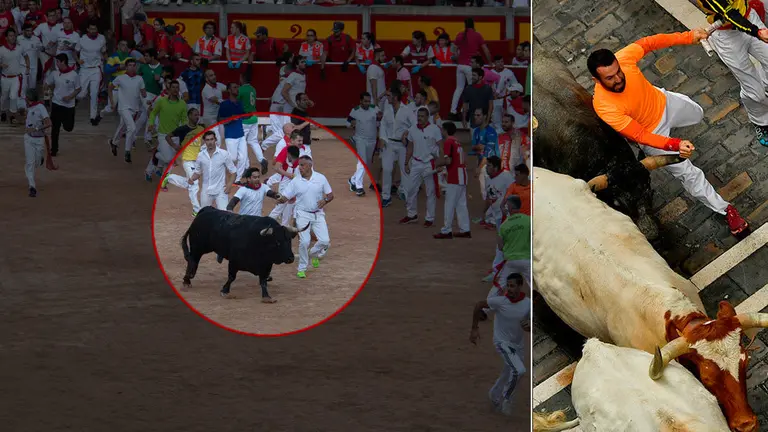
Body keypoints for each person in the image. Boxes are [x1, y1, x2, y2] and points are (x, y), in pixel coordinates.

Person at [588, 31, 749, 236]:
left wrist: (689, 36)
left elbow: (650, 42)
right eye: (610, 78)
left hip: (664, 102)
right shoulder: (603, 106)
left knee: (698, 114)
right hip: (651, 132)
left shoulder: (624, 57)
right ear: (596, 79)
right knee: (688, 173)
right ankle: (725, 210)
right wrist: (674, 144)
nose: (619, 79)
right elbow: (640, 135)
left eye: (618, 72)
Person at [702, 0, 768, 145]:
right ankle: (761, 121)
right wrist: (756, 32)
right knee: (754, 91)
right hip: (726, 37)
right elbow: (729, 13)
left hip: (750, 18)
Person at [469, 272, 531, 416]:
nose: (509, 289)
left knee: (508, 372)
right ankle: (507, 398)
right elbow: (479, 305)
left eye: (513, 286)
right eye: (508, 286)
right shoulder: (499, 301)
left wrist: (529, 326)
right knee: (519, 370)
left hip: (518, 345)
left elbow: (529, 323)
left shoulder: (527, 304)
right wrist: (474, 328)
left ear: (520, 286)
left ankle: (494, 395)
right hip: (502, 343)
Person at [275, 155, 333, 279]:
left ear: (310, 166)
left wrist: (325, 200)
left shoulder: (321, 178)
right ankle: (302, 268)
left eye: (302, 165)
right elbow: (285, 197)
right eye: (299, 165)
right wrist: (279, 198)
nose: (299, 167)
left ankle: (313, 254)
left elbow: (330, 195)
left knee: (324, 241)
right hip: (302, 214)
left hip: (318, 214)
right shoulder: (295, 182)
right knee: (304, 241)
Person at [402, 107, 443, 227]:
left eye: (422, 116)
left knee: (430, 191)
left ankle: (430, 218)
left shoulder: (434, 129)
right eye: (418, 116)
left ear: (427, 117)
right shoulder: (412, 129)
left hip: (429, 164)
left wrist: (440, 163)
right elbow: (409, 147)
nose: (419, 118)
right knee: (410, 189)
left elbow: (440, 146)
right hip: (416, 163)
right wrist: (406, 163)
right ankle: (411, 214)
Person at [161, 108, 205, 216]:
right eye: (195, 115)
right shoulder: (182, 129)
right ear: (189, 116)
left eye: (198, 115)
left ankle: (169, 178)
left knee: (190, 183)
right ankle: (196, 210)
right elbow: (168, 136)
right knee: (194, 184)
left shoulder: (201, 128)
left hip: (197, 160)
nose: (197, 117)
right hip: (187, 159)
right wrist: (174, 146)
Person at [450, 18, 493, 121]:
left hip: (460, 66)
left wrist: (456, 57)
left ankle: (453, 111)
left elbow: (453, 50)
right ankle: (468, 112)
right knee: (473, 90)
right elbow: (485, 50)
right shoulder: (477, 35)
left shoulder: (460, 35)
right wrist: (490, 62)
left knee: (459, 88)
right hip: (471, 66)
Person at [433, 122, 470, 239]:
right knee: (461, 204)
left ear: (445, 130)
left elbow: (448, 161)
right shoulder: (458, 142)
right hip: (462, 175)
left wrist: (437, 164)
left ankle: (446, 230)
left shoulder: (449, 142)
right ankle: (465, 229)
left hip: (454, 177)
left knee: (449, 204)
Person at [146, 80, 186, 181]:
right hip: (163, 135)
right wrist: (151, 123)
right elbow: (153, 113)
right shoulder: (162, 101)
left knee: (168, 161)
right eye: (173, 87)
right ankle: (156, 154)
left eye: (177, 88)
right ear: (169, 89)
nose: (175, 90)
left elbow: (184, 120)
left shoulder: (182, 104)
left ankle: (152, 173)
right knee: (168, 159)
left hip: (175, 136)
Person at [108, 57, 146, 163]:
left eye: (134, 65)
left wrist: (145, 97)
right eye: (130, 65)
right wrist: (112, 102)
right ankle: (127, 152)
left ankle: (114, 142)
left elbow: (144, 93)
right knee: (132, 128)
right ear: (126, 66)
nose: (132, 67)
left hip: (135, 109)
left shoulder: (140, 79)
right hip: (123, 107)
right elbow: (110, 88)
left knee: (123, 126)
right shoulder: (121, 78)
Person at [188, 130, 237, 210]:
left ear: (215, 140)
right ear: (204, 141)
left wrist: (229, 185)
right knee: (204, 216)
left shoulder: (224, 154)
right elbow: (198, 172)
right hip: (206, 191)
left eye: (212, 139)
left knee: (224, 214)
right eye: (207, 140)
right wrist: (192, 178)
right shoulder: (200, 156)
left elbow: (234, 172)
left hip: (221, 190)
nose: (210, 142)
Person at [491, 195, 531, 288]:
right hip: (527, 260)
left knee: (500, 286)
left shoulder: (504, 225)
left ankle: (492, 300)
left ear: (510, 208)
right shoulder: (529, 220)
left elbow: (500, 247)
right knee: (535, 288)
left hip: (511, 262)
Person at [45, 53, 80, 157]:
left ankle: (66, 123)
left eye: (58, 62)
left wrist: (70, 97)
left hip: (69, 106)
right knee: (55, 128)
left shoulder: (74, 75)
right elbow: (47, 83)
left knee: (68, 127)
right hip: (56, 104)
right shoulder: (54, 73)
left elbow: (78, 89)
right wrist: (47, 89)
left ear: (63, 62)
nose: (56, 64)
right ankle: (54, 149)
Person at [380, 88, 410, 207]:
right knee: (387, 169)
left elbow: (414, 126)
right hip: (389, 143)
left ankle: (405, 192)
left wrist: (407, 133)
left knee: (404, 169)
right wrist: (382, 138)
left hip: (403, 145)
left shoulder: (407, 111)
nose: (387, 98)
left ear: (395, 98)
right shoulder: (387, 110)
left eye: (389, 96)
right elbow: (382, 124)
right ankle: (386, 197)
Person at [347, 92, 381, 197]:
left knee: (367, 163)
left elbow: (380, 118)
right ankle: (359, 187)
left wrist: (380, 117)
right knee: (362, 161)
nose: (367, 103)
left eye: (368, 101)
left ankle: (353, 180)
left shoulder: (375, 108)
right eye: (365, 101)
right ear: (361, 101)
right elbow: (347, 123)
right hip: (360, 139)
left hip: (372, 140)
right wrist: (352, 124)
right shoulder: (355, 110)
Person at [75, 22, 106, 126]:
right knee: (81, 94)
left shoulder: (102, 38)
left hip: (96, 69)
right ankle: (75, 100)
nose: (93, 31)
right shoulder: (82, 39)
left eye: (95, 29)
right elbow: (75, 51)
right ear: (88, 29)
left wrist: (107, 60)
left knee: (94, 94)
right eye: (91, 29)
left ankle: (93, 117)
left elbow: (103, 52)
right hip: (84, 69)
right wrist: (78, 61)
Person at [23, 88, 51, 198]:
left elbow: (49, 123)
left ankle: (40, 160)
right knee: (30, 163)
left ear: (29, 98)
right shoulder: (28, 107)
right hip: (28, 139)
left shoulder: (40, 107)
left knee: (37, 162)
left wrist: (35, 128)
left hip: (39, 139)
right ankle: (32, 186)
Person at [237, 70, 266, 173]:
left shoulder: (240, 90)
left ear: (242, 79)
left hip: (245, 120)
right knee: (253, 141)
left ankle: (247, 166)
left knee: (242, 144)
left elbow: (237, 102)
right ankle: (262, 159)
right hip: (254, 117)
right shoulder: (253, 89)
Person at [218, 82, 248, 179]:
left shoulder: (240, 103)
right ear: (229, 90)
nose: (237, 89)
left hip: (241, 133)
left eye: (237, 87)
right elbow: (219, 119)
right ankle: (220, 164)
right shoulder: (224, 104)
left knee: (243, 158)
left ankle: (237, 179)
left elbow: (243, 115)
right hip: (230, 135)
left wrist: (247, 115)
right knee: (233, 158)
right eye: (235, 87)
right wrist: (230, 118)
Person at [0, 28, 30, 125]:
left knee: (13, 96)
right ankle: (3, 111)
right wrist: (1, 65)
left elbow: (26, 56)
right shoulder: (1, 49)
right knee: (4, 97)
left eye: (14, 35)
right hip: (5, 78)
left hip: (16, 77)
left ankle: (12, 115)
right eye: (10, 36)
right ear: (6, 37)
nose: (13, 37)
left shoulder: (20, 48)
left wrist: (28, 67)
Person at [269, 144, 302, 226]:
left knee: (287, 206)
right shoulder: (299, 164)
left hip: (289, 184)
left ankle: (284, 225)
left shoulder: (296, 165)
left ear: (289, 154)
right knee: (281, 206)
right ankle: (268, 222)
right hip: (287, 185)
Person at [483, 156, 514, 231]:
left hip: (506, 215)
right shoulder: (487, 179)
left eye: (489, 165)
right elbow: (488, 198)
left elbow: (514, 193)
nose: (486, 168)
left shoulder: (506, 176)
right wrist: (483, 212)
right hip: (496, 215)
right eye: (486, 165)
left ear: (495, 167)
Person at [491, 55, 518, 132]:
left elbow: (516, 86)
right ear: (494, 63)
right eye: (498, 62)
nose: (500, 63)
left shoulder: (509, 73)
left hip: (507, 100)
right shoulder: (491, 73)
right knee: (496, 122)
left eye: (502, 61)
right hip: (495, 101)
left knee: (508, 122)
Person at [18, 22, 41, 112]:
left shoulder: (36, 39)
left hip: (33, 68)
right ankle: (22, 107)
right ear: (23, 31)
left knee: (32, 87)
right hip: (22, 67)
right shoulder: (18, 39)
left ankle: (32, 106)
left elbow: (41, 49)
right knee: (23, 87)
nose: (29, 33)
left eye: (31, 31)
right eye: (27, 31)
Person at [200, 68, 226, 145]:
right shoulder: (206, 89)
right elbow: (216, 100)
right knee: (216, 140)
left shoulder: (218, 85)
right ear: (206, 79)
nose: (214, 77)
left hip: (218, 117)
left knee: (220, 138)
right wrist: (229, 103)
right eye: (211, 76)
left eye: (214, 74)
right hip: (210, 119)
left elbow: (229, 88)